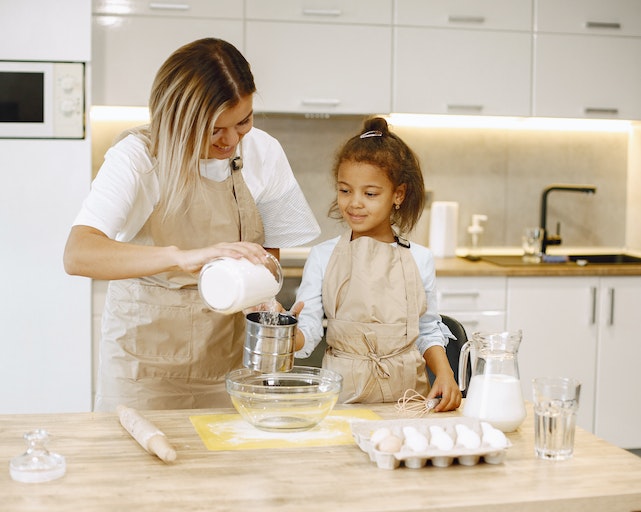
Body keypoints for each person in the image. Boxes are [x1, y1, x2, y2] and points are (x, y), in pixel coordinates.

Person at [63, 38, 320, 411]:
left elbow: (268, 257)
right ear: (178, 120)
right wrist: (183, 257)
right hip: (145, 372)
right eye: (215, 129)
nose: (232, 140)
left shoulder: (264, 152)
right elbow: (78, 254)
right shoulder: (137, 157)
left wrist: (268, 306)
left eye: (244, 121)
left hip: (233, 369)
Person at [293, 117, 461, 412]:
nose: (354, 203)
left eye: (370, 194)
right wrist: (284, 334)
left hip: (409, 400)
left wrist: (445, 373)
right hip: (342, 399)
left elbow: (427, 329)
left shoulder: (419, 258)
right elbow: (309, 330)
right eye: (345, 190)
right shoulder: (323, 256)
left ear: (398, 194)